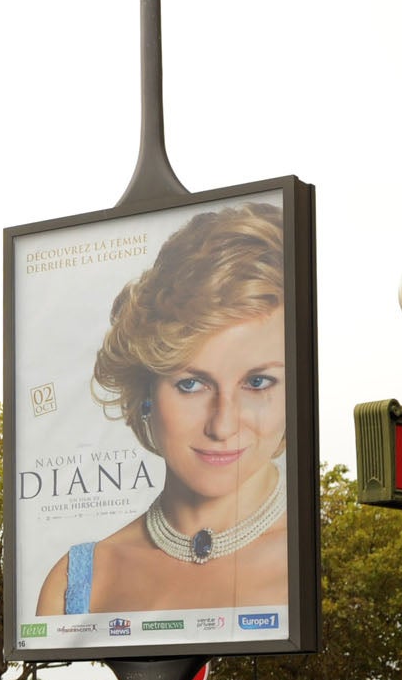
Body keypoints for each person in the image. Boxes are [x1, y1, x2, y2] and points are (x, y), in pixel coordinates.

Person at [37, 201, 288, 615]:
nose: (223, 425)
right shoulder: (76, 585)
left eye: (257, 382)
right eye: (191, 384)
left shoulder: (318, 572)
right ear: (146, 392)